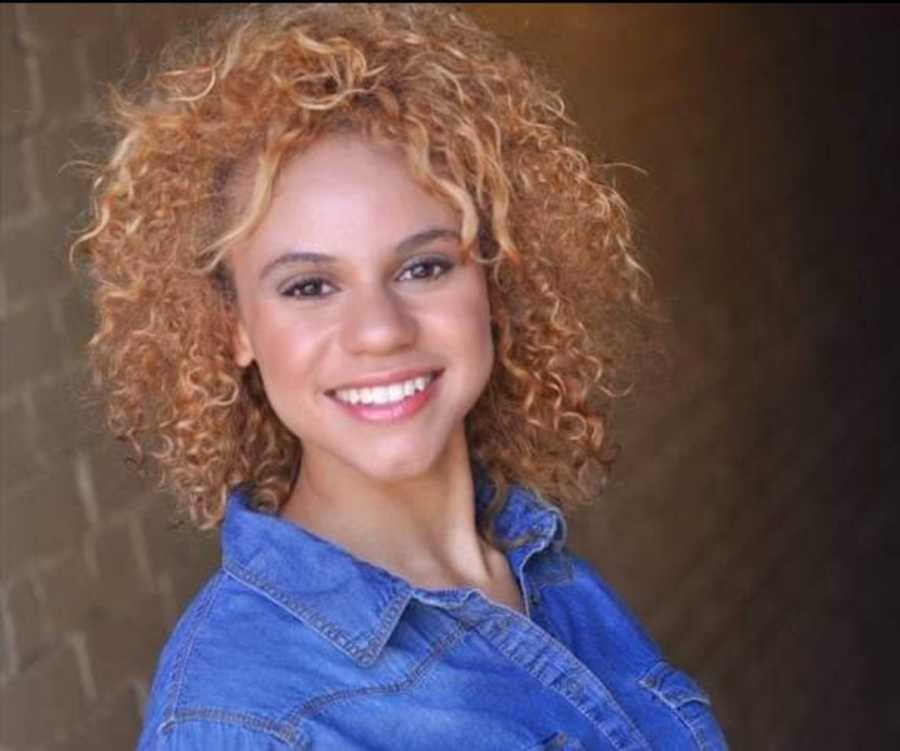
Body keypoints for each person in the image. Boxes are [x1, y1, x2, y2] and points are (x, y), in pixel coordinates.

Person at [74, 4, 729, 749]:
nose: (381, 330)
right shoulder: (239, 717)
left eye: (423, 266)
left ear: (492, 280)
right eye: (310, 286)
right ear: (234, 329)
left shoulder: (541, 568)